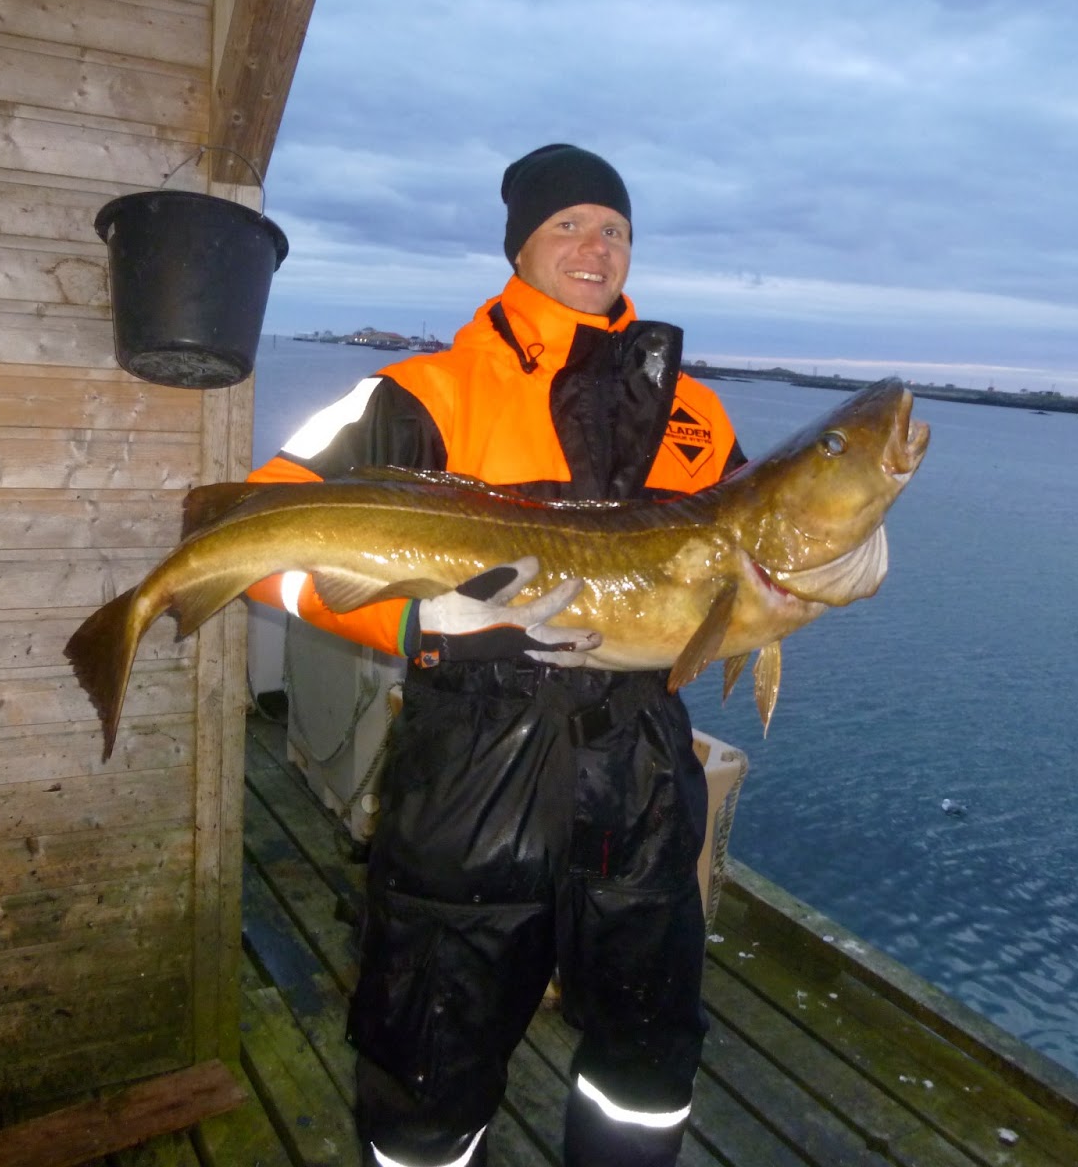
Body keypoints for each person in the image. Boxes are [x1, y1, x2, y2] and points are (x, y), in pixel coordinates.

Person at [246, 143, 747, 1167]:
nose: (595, 245)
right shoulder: (419, 394)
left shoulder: (697, 415)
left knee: (647, 1060)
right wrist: (412, 624)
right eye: (569, 225)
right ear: (520, 244)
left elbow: (732, 586)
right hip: (473, 773)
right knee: (431, 1056)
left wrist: (810, 582)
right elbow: (256, 532)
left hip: (642, 775)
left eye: (613, 229)